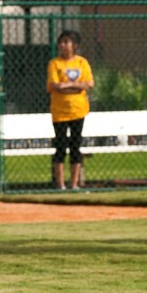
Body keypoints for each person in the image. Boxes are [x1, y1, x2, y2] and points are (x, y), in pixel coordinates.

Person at [47, 30, 94, 190]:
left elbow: (89, 84)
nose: (62, 45)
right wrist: (76, 86)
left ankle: (74, 184)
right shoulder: (55, 63)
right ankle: (60, 185)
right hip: (60, 112)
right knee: (60, 147)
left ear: (74, 45)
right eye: (61, 42)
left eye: (66, 42)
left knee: (75, 146)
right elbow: (55, 86)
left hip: (78, 110)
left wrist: (66, 85)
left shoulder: (82, 63)